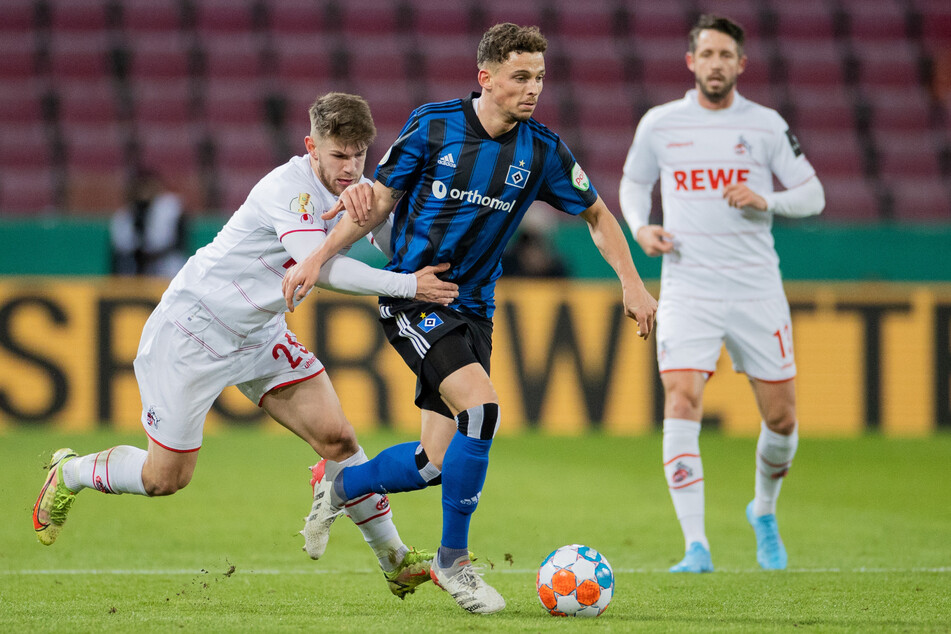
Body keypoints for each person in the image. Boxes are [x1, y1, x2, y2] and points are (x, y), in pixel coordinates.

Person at [282, 23, 658, 614]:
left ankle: (338, 485)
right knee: (482, 410)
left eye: (539, 77)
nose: (533, 89)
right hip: (417, 297)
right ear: (486, 78)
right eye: (520, 77)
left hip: (476, 309)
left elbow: (598, 215)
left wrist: (632, 283)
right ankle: (452, 563)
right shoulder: (434, 124)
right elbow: (377, 200)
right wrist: (318, 257)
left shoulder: (544, 151)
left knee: (434, 462)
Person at [33, 92, 460, 599]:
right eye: (338, 155)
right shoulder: (288, 189)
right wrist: (411, 286)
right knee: (164, 478)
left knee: (339, 440)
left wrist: (403, 225)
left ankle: (395, 561)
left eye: (358, 155)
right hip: (194, 330)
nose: (349, 168)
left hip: (259, 332)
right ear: (311, 147)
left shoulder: (361, 190)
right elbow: (317, 268)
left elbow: (398, 247)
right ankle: (72, 471)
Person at [618, 15, 826, 573]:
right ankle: (696, 546)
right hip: (688, 285)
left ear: (741, 64)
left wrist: (768, 200)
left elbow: (813, 195)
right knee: (681, 398)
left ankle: (763, 509)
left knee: (781, 419)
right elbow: (634, 183)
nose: (715, 63)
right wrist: (640, 227)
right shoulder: (662, 124)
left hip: (756, 287)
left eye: (725, 55)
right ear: (691, 62)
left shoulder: (764, 125)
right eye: (706, 54)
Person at [110, 169, 188, 277]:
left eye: (148, 186)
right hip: (135, 266)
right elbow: (122, 247)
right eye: (140, 187)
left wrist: (151, 254)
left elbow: (173, 241)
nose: (144, 191)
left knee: (175, 264)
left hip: (166, 265)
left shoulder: (170, 207)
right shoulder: (123, 215)